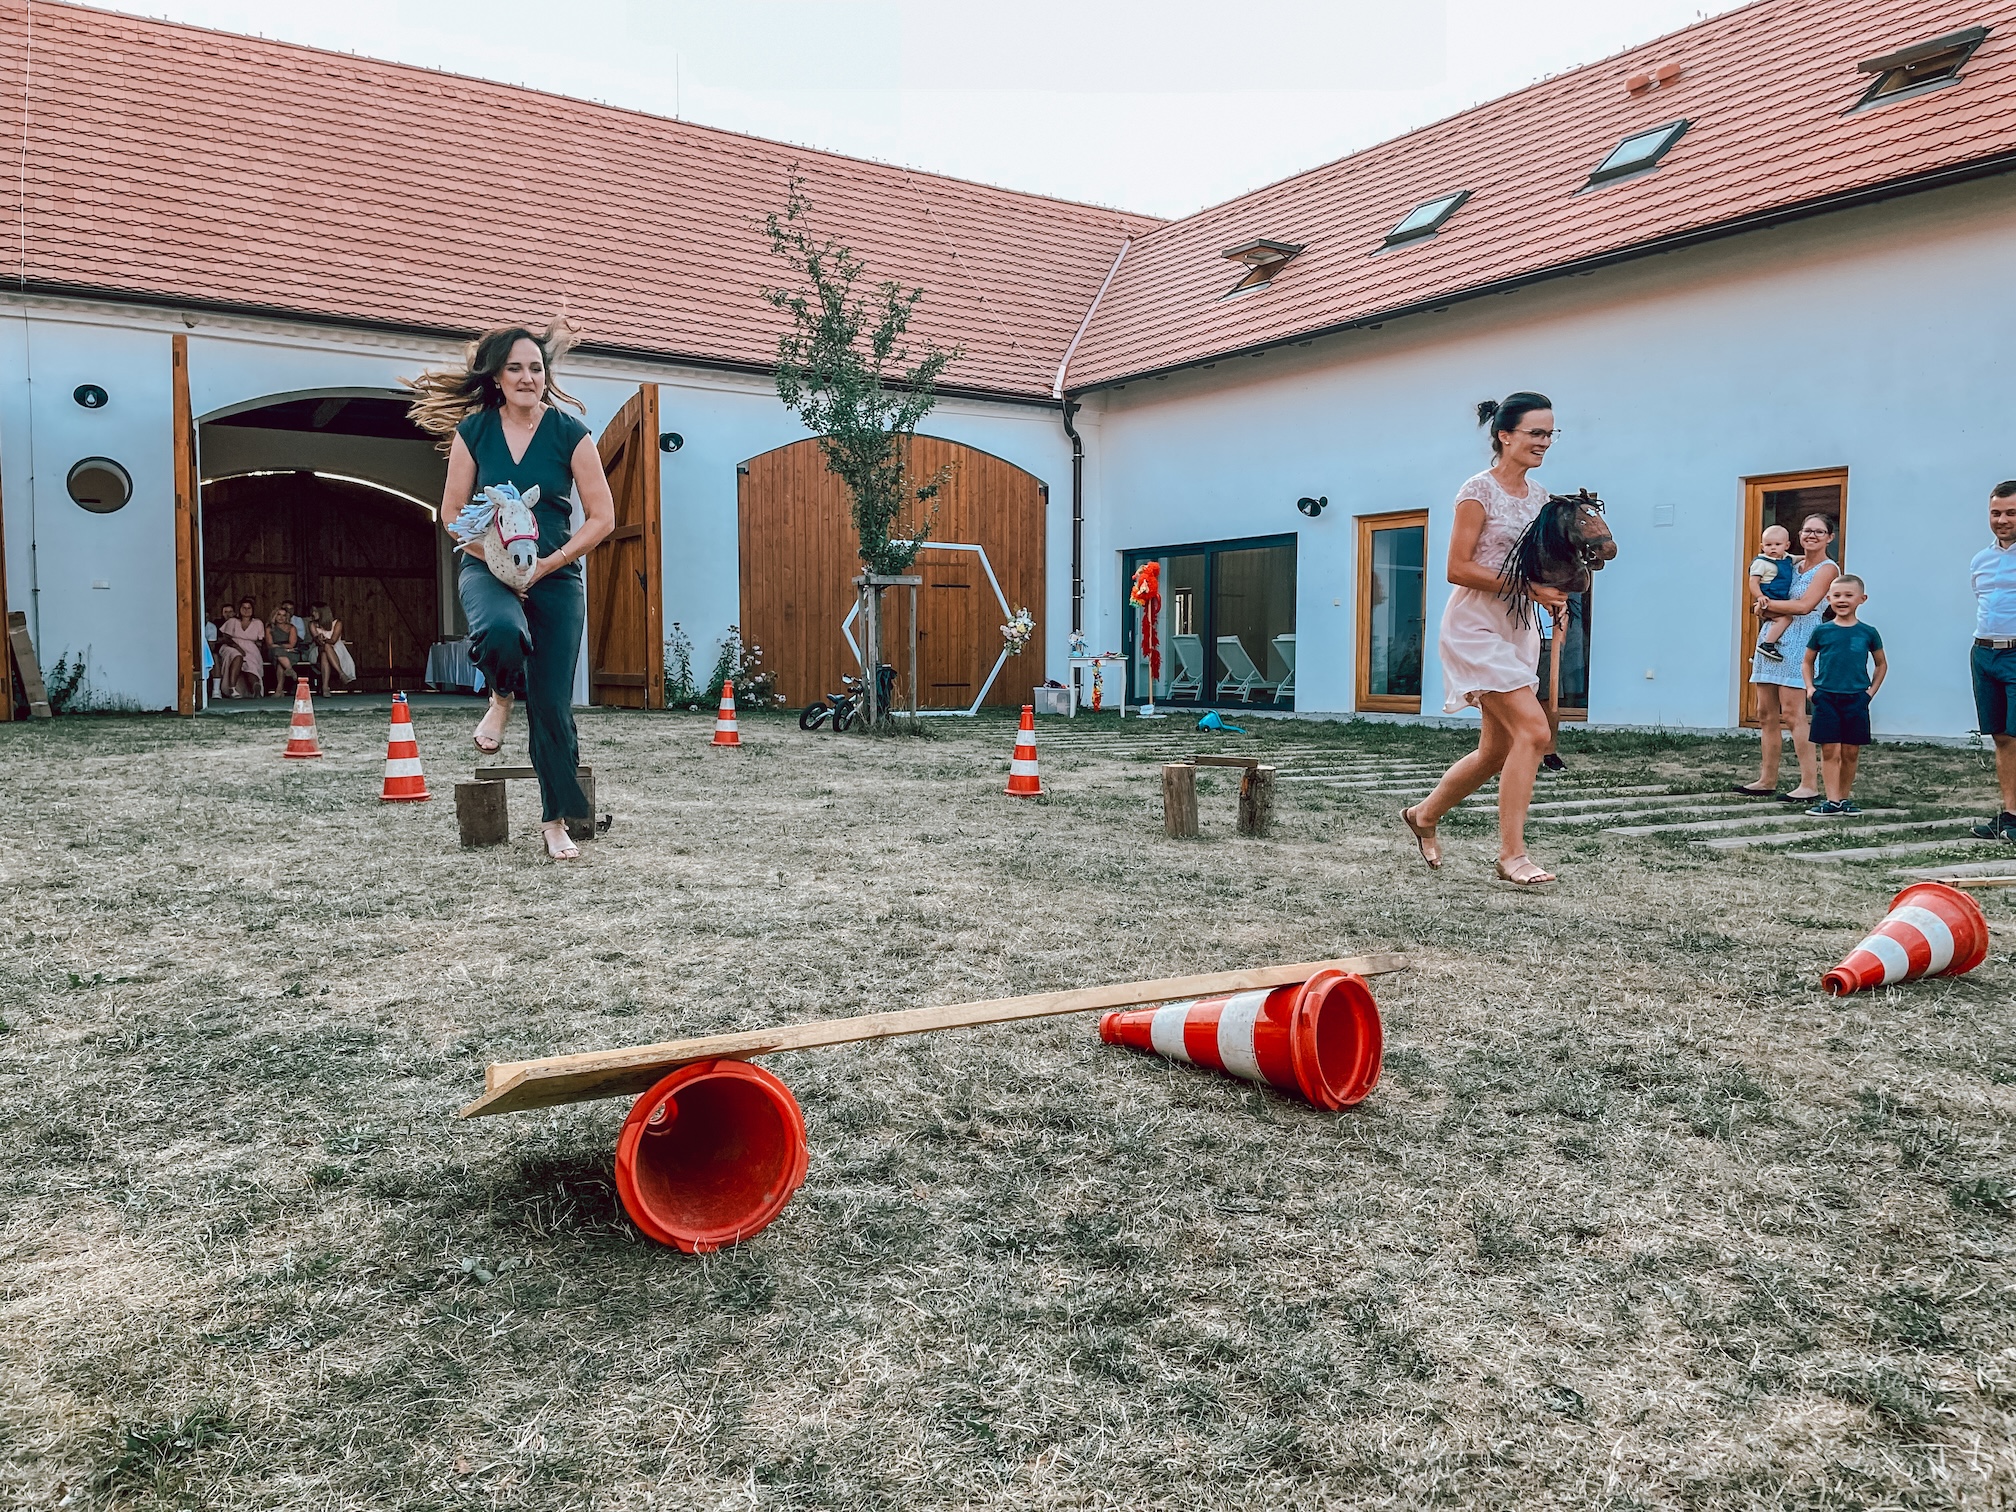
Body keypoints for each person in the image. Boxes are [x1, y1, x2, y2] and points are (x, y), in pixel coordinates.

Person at [406, 321, 615, 861]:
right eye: (516, 368)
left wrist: (547, 564)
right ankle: (500, 696)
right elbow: (452, 514)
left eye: (536, 368)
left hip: (554, 569)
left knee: (550, 704)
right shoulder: (474, 432)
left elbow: (602, 517)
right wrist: (498, 562)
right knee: (501, 631)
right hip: (488, 566)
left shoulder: (570, 433)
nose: (528, 377)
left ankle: (554, 822)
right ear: (497, 377)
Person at [1401, 391, 1567, 885]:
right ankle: (1511, 855)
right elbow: (1457, 568)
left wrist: (1554, 593)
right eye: (1536, 432)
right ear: (1505, 435)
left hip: (1519, 627)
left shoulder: (1541, 498)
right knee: (1535, 733)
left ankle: (1423, 816)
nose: (1544, 442)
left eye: (1550, 433)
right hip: (1474, 626)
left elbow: (1537, 565)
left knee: (1496, 750)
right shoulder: (1477, 490)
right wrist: (1528, 587)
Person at [1736, 514, 1839, 801]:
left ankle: (1809, 784)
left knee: (1794, 714)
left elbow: (1805, 606)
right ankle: (1767, 779)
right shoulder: (1789, 562)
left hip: (1801, 640)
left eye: (1819, 532)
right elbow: (1765, 576)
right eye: (1807, 530)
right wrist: (1765, 606)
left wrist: (1765, 604)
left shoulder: (1828, 569)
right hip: (1772, 638)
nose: (1812, 535)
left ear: (1830, 537)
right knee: (1765, 713)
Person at [1802, 574, 1885, 815]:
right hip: (1826, 697)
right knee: (1830, 750)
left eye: (1848, 595)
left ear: (1862, 599)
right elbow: (1807, 662)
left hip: (1856, 698)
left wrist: (1869, 693)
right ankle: (1832, 800)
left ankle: (1844, 799)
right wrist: (1810, 688)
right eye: (1837, 595)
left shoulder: (1868, 632)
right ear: (1828, 599)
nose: (1842, 600)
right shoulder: (1822, 631)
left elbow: (1881, 664)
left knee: (1850, 751)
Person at [1968, 480, 2016, 841]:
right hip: (1984, 652)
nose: (2002, 520)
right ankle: (2011, 815)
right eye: (1996, 513)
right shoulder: (1980, 560)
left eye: (2011, 513)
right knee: (2001, 736)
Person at [1748, 524, 1796, 660]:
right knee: (1785, 618)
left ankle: (1756, 654)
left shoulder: (1787, 558)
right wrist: (1759, 596)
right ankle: (1767, 645)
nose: (1773, 548)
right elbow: (1753, 581)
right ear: (1762, 547)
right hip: (1768, 599)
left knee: (1771, 624)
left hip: (1780, 599)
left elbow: (1798, 559)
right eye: (1768, 545)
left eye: (1777, 544)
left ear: (1786, 546)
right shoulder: (1761, 563)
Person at [218, 597, 266, 698]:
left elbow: (260, 641)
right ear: (239, 609)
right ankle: (232, 688)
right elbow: (226, 638)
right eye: (244, 607)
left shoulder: (258, 623)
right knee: (237, 655)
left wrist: (257, 653)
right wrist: (238, 647)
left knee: (251, 664)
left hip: (250, 647)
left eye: (249, 608)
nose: (246, 610)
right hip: (231, 646)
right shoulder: (232, 621)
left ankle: (255, 688)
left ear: (253, 610)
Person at [309, 602, 354, 694]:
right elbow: (317, 641)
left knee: (325, 652)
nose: (313, 613)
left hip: (336, 649)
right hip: (318, 649)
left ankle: (325, 687)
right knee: (325, 647)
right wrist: (319, 639)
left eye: (315, 611)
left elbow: (333, 640)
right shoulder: (312, 624)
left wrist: (325, 640)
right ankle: (341, 673)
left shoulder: (337, 623)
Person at [267, 598, 304, 690]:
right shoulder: (269, 628)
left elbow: (292, 644)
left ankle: (279, 690)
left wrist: (280, 647)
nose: (281, 617)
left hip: (290, 652)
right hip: (274, 652)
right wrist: (282, 648)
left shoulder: (292, 628)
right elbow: (270, 644)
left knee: (280, 662)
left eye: (284, 615)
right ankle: (290, 670)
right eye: (278, 614)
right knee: (277, 652)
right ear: (274, 615)